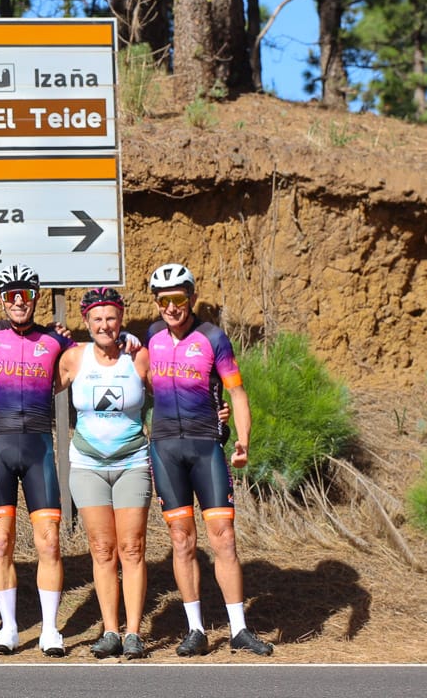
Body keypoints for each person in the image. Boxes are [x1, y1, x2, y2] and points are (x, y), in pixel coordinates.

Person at [143, 262, 272, 656]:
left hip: (205, 448)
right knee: (182, 541)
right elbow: (137, 377)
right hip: (165, 449)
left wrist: (243, 441)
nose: (171, 308)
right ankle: (196, 630)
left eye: (178, 299)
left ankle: (238, 629)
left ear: (192, 297)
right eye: (163, 301)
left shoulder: (214, 338)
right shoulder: (151, 336)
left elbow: (237, 392)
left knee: (224, 539)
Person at [0, 265, 72, 656]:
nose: (17, 301)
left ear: (36, 297)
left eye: (25, 294)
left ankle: (50, 629)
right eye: (11, 294)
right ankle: (9, 628)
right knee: (0, 542)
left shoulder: (55, 341)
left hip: (38, 450)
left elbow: (98, 352)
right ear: (1, 299)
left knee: (49, 542)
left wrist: (128, 342)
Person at [62, 286, 155, 660]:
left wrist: (216, 414)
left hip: (131, 462)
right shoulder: (72, 358)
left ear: (121, 320)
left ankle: (133, 633)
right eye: (97, 319)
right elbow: (33, 387)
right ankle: (110, 631)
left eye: (111, 317)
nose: (105, 325)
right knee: (102, 550)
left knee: (132, 548)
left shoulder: (139, 357)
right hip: (87, 465)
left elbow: (173, 392)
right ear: (87, 322)